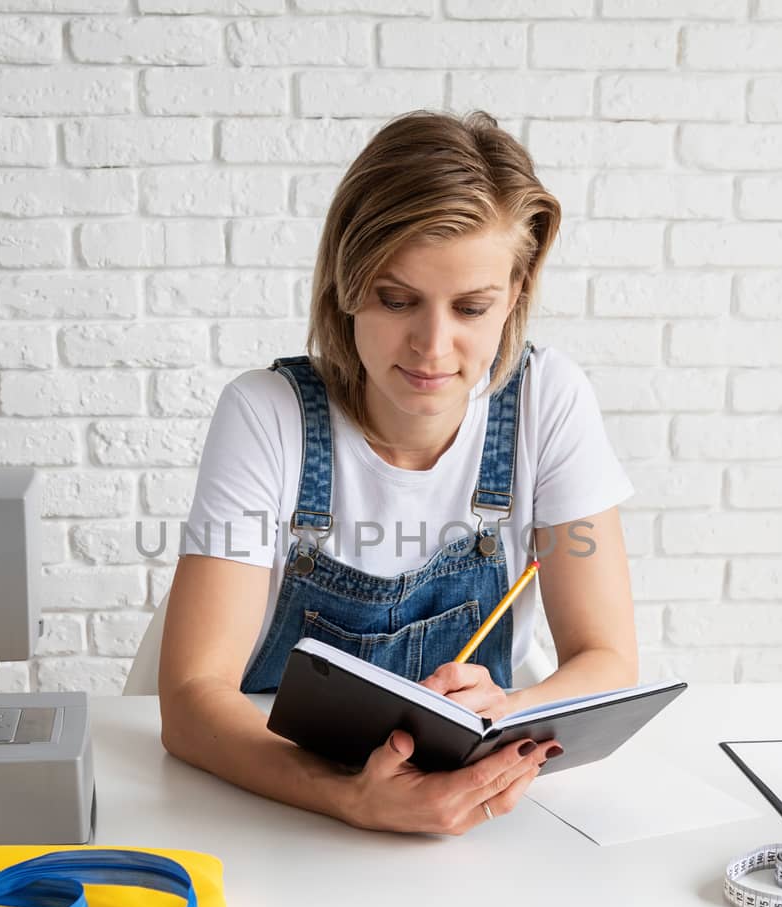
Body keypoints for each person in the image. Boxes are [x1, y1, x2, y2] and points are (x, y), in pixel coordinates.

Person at [158, 110, 638, 836]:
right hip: (271, 799)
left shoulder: (547, 399)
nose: (432, 347)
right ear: (345, 284)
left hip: (465, 822)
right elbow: (192, 701)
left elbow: (607, 659)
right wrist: (352, 799)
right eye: (396, 299)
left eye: (472, 307)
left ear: (516, 294)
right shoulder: (268, 415)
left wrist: (504, 710)